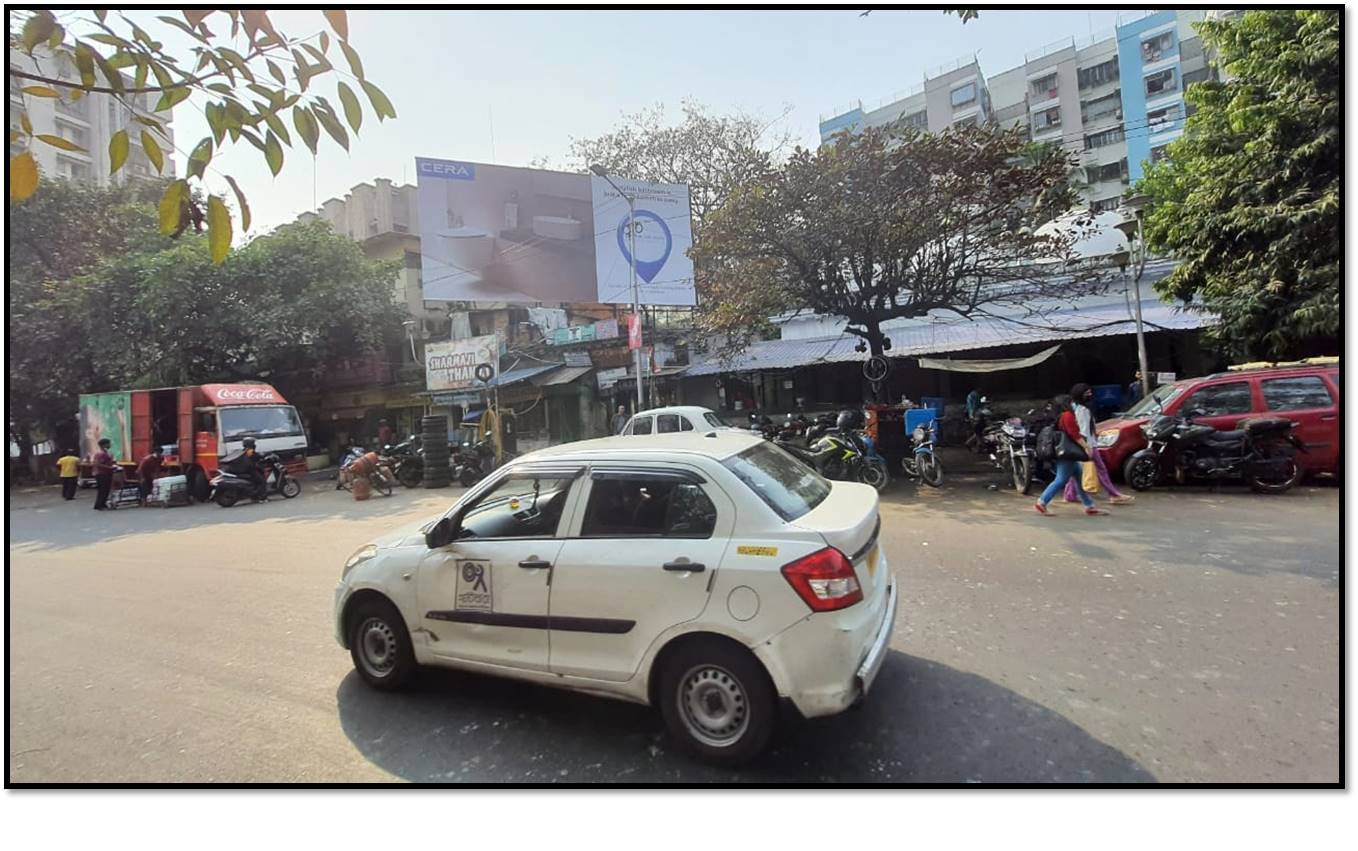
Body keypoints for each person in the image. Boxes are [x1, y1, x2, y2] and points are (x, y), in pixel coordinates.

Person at [1034, 395, 1108, 517]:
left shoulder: (1059, 416)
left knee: (1078, 477)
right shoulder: (1067, 415)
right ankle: (1042, 502)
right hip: (1067, 454)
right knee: (1061, 479)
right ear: (1067, 404)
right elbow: (1074, 434)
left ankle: (1089, 506)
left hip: (1065, 453)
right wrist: (1086, 446)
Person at [1064, 384, 1134, 506]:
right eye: (1087, 393)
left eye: (1090, 392)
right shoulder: (1083, 410)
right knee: (1101, 469)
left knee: (1075, 470)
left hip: (1084, 444)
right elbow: (1084, 430)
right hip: (1088, 445)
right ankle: (1114, 495)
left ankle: (1069, 494)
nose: (1090, 395)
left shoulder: (1075, 407)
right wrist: (1087, 447)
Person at [92, 438, 116, 511]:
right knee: (103, 489)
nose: (110, 445)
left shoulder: (106, 452)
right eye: (108, 443)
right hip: (101, 474)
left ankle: (102, 503)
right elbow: (97, 464)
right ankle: (99, 505)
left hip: (106, 473)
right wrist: (110, 467)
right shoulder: (100, 454)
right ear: (104, 445)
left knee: (106, 489)